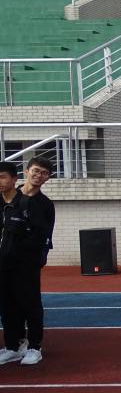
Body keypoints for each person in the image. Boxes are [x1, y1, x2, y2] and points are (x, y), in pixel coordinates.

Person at [0, 157, 54, 366]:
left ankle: (34, 346)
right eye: (36, 171)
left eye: (44, 173)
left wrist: (38, 256)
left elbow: (44, 235)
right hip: (4, 263)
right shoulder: (8, 196)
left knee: (30, 304)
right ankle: (14, 345)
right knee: (7, 305)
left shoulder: (44, 205)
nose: (38, 175)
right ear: (26, 171)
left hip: (26, 263)